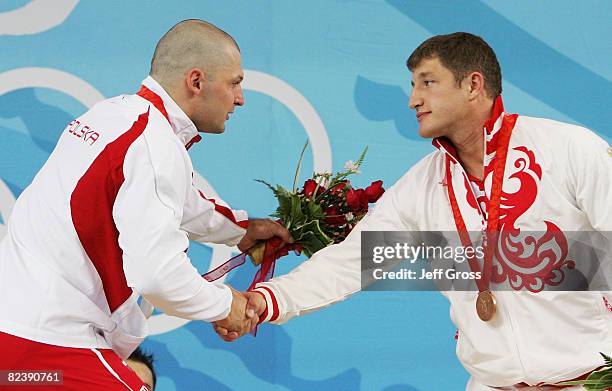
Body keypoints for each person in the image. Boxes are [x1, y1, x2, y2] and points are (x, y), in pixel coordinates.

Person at [216, 32, 612, 390]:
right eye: (412, 85)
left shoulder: (569, 149)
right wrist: (265, 300)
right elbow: (349, 264)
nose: (413, 99)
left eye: (428, 82)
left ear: (473, 84)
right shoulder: (422, 187)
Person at [0, 19, 291, 390]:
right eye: (234, 82)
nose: (240, 98)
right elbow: (159, 276)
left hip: (14, 337)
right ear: (196, 81)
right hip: (50, 344)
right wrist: (225, 305)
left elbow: (180, 201)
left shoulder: (115, 115)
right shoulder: (154, 145)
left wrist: (241, 229)